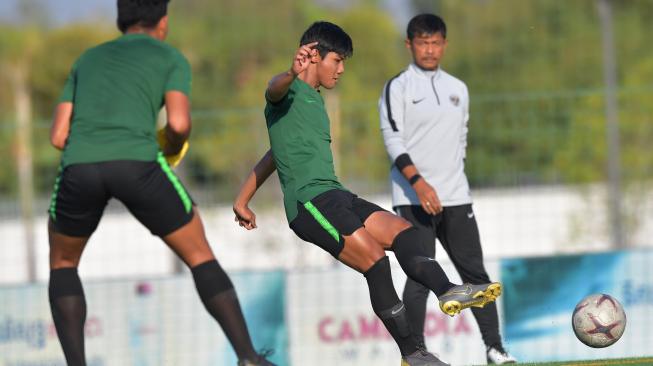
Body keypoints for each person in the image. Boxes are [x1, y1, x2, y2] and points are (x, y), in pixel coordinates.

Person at [233, 21, 502, 366]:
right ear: (313, 56)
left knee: (404, 234)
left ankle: (448, 289)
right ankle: (413, 354)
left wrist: (242, 200)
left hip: (337, 195)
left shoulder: (314, 102)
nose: (342, 70)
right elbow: (273, 88)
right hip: (309, 205)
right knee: (376, 263)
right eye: (337, 60)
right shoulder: (284, 93)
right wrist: (289, 71)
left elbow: (275, 155)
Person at [47, 1, 274, 365]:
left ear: (121, 19)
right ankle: (248, 357)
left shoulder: (86, 60)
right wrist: (165, 145)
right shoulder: (170, 58)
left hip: (80, 167)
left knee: (62, 263)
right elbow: (180, 124)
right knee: (200, 254)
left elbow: (59, 136)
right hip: (138, 163)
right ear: (163, 22)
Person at [378, 14, 517, 364]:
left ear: (444, 44)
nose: (429, 49)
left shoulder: (459, 88)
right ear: (409, 45)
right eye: (422, 42)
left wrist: (450, 180)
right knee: (419, 275)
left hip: (456, 197)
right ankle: (417, 354)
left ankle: (494, 348)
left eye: (435, 42)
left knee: (475, 274)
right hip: (413, 199)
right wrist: (419, 183)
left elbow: (462, 138)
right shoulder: (398, 87)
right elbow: (393, 140)